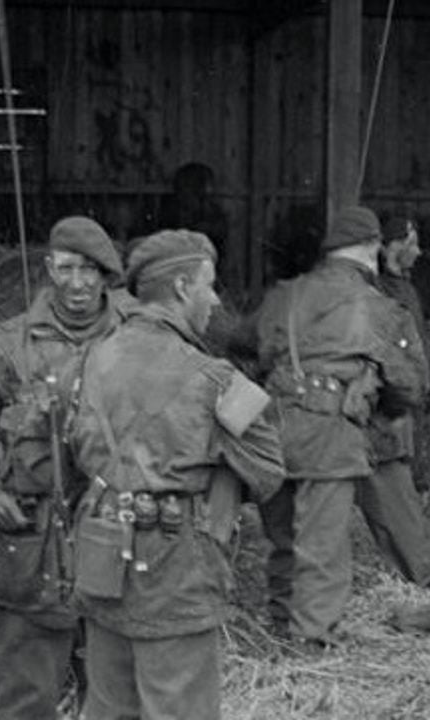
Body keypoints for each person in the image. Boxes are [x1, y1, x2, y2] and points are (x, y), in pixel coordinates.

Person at [66, 230, 284, 719]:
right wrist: (219, 499)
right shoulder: (214, 378)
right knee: (179, 706)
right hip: (174, 567)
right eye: (209, 285)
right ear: (184, 288)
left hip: (101, 553)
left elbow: (72, 451)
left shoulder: (90, 358)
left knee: (107, 707)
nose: (214, 300)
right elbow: (269, 467)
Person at [0, 216, 130, 720]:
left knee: (120, 696)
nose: (77, 283)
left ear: (107, 276)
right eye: (66, 268)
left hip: (121, 537)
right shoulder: (8, 346)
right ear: (47, 269)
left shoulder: (139, 341)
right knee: (25, 697)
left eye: (90, 270)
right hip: (33, 543)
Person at [256, 206, 428, 644]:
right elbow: (411, 385)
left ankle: (280, 623)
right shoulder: (379, 306)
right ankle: (312, 642)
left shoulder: (283, 295)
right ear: (373, 248)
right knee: (321, 545)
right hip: (331, 434)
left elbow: (252, 348)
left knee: (283, 538)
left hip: (273, 428)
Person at [356, 216, 430, 583]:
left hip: (400, 406)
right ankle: (417, 577)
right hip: (378, 416)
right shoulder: (377, 293)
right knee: (392, 494)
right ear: (391, 246)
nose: (418, 252)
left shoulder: (404, 289)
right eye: (412, 243)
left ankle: (413, 575)